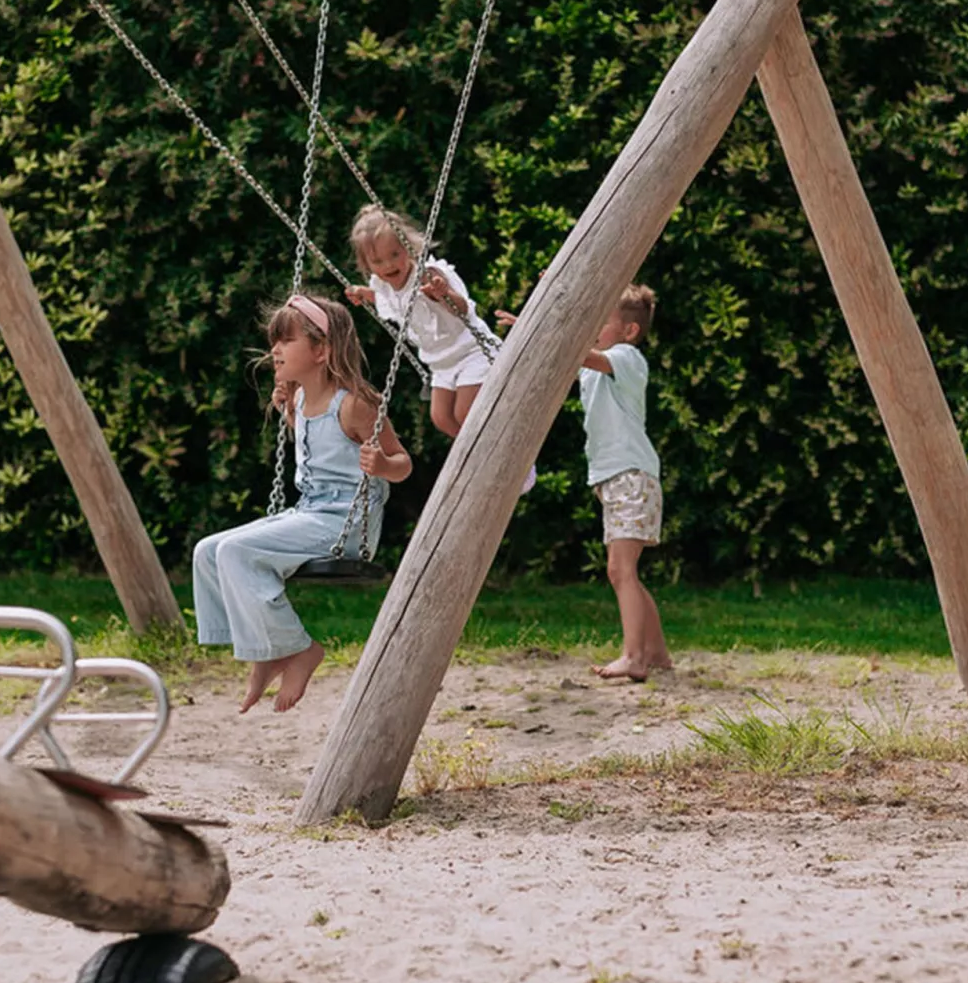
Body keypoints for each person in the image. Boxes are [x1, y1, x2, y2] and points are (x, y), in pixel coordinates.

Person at [193, 294, 413, 713]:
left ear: (321, 350)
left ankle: (298, 649)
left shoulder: (354, 404)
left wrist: (382, 464)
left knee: (237, 552)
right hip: (308, 511)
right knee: (207, 552)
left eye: (285, 340)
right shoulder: (297, 400)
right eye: (274, 340)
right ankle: (264, 651)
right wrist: (290, 417)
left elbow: (403, 463)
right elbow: (315, 449)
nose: (274, 349)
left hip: (343, 527)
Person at [498, 283, 671, 682]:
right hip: (618, 478)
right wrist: (532, 323)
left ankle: (634, 657)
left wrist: (545, 329)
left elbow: (575, 351)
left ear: (628, 331)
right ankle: (656, 652)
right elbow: (562, 356)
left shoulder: (627, 358)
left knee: (619, 570)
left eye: (601, 322)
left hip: (631, 476)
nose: (592, 328)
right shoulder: (598, 365)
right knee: (626, 571)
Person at [343, 205, 534, 492]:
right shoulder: (382, 285)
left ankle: (516, 461)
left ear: (409, 246)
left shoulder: (430, 274)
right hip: (441, 364)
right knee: (442, 418)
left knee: (467, 410)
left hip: (471, 351)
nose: (388, 265)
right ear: (367, 264)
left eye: (395, 254)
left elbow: (464, 310)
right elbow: (392, 302)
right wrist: (365, 295)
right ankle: (481, 455)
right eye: (378, 261)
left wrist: (443, 294)